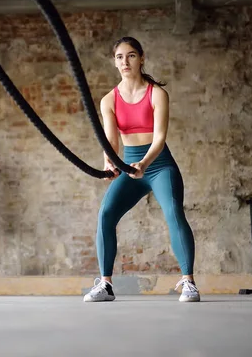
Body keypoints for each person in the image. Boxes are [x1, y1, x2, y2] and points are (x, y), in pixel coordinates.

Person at [83, 36, 200, 303]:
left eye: (131, 55)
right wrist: (108, 163)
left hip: (158, 165)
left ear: (142, 58)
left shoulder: (157, 94)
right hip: (128, 166)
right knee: (106, 214)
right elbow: (111, 141)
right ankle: (106, 284)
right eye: (120, 57)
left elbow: (159, 138)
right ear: (115, 62)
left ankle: (189, 283)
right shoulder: (108, 100)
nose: (125, 61)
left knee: (173, 211)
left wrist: (144, 165)